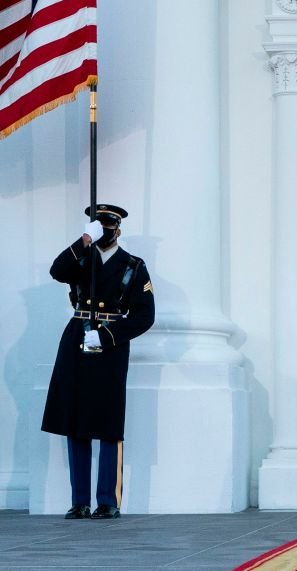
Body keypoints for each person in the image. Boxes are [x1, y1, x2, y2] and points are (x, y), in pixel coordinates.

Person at [41, 204, 156, 519]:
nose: (104, 232)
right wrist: (82, 242)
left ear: (118, 229)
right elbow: (57, 271)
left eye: (108, 227)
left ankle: (108, 500)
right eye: (98, 227)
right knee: (75, 420)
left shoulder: (133, 265)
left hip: (110, 343)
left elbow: (145, 315)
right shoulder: (82, 259)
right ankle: (80, 500)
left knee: (107, 421)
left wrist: (107, 336)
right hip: (77, 337)